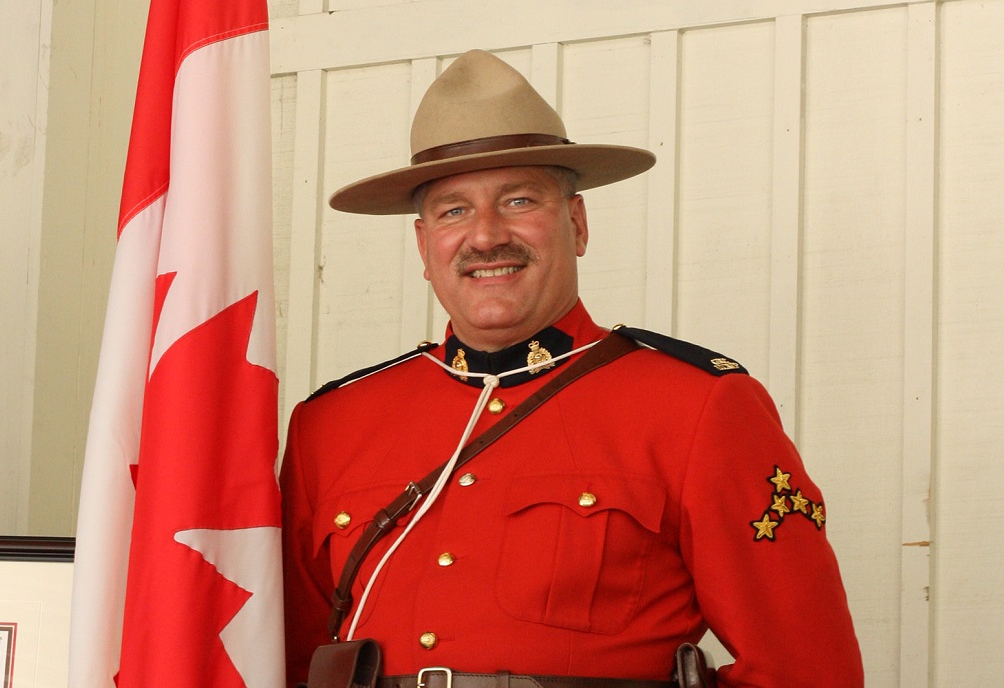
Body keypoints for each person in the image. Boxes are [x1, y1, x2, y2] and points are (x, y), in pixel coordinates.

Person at [280, 49, 863, 688]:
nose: (484, 236)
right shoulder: (329, 426)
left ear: (576, 224)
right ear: (424, 246)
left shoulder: (697, 406)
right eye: (453, 210)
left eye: (519, 199)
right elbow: (279, 657)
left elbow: (807, 669)